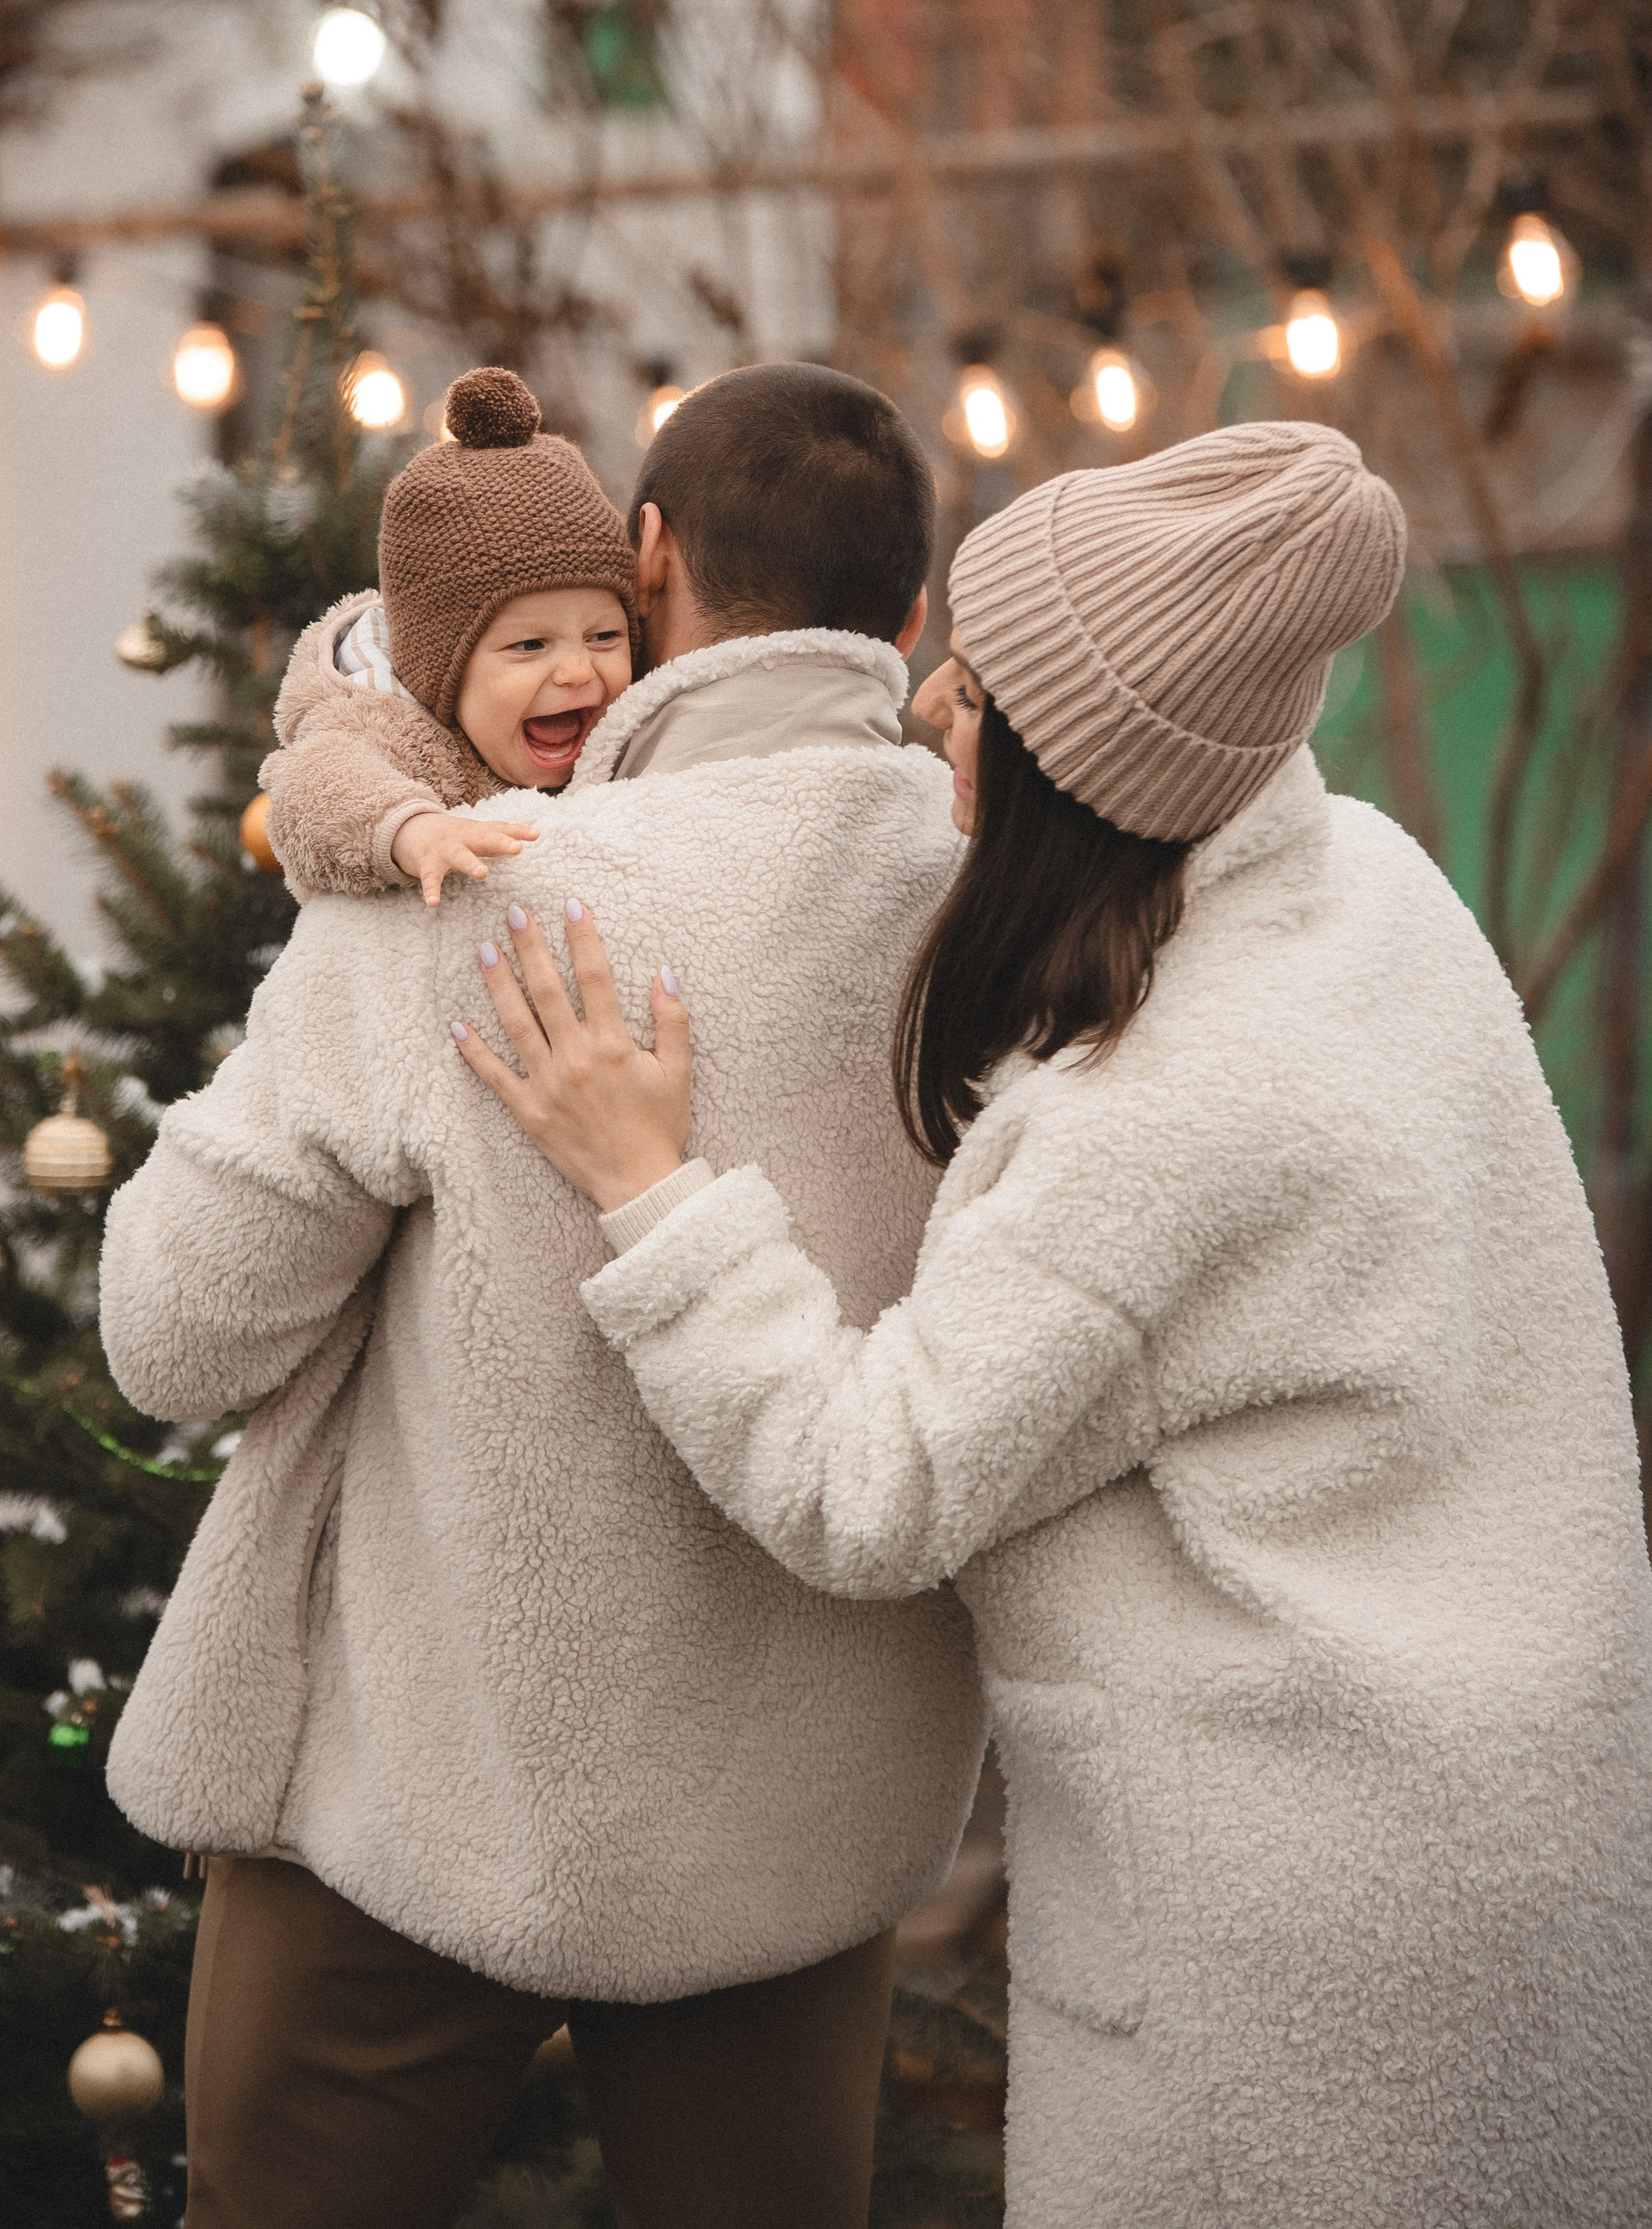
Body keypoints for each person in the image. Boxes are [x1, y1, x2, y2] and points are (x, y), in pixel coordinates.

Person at [457, 418, 1652, 2229]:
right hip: (1518, 1821)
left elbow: (870, 1487)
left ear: (1084, 765)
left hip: (1291, 1936)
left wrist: (650, 1186)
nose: (933, 701)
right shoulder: (1371, 890)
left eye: (984, 686)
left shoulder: (1157, 1116)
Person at [98, 363, 986, 2229]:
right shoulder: (994, 907)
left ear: (645, 559)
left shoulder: (487, 892)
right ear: (905, 612)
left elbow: (173, 1333)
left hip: (426, 1792)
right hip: (797, 1828)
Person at [258, 363, 636, 906]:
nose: (579, 671)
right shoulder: (396, 729)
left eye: (604, 636)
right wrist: (412, 831)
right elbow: (308, 788)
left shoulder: (629, 726)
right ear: (440, 667)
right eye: (530, 645)